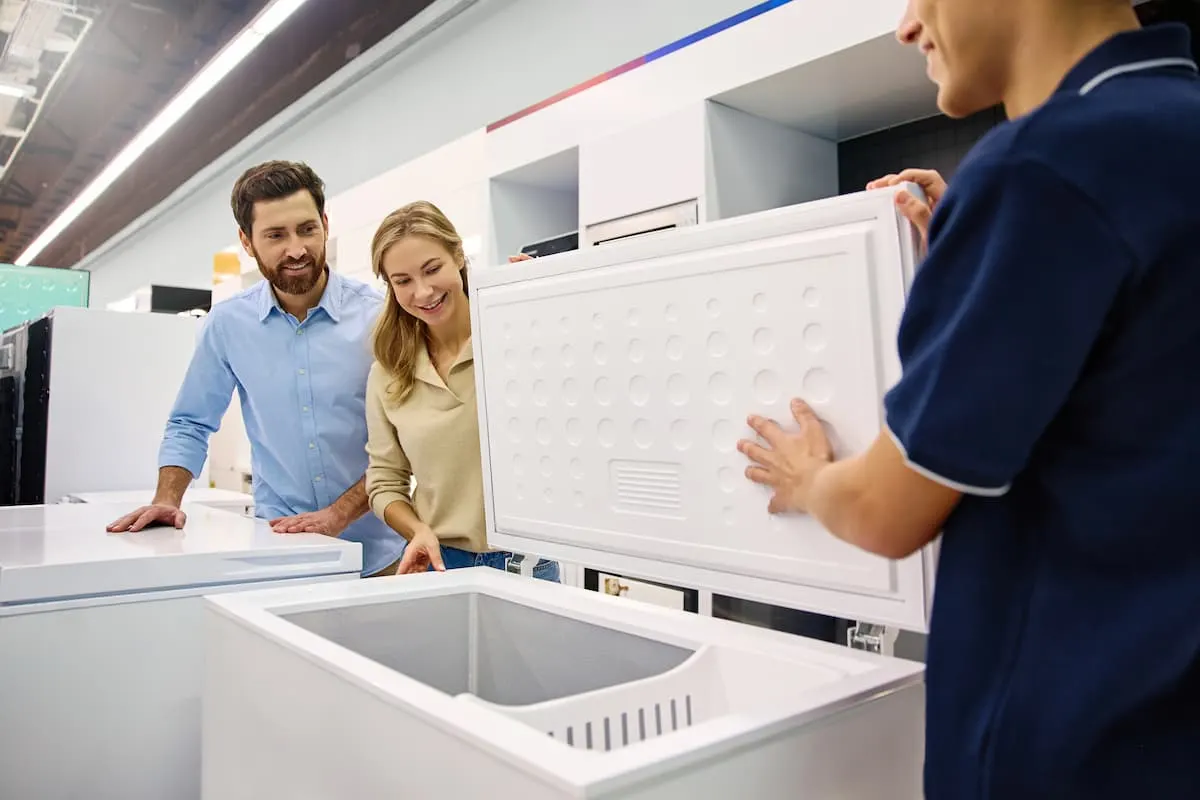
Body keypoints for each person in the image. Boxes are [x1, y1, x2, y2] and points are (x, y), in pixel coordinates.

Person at [738, 1, 1200, 798]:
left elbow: (888, 510)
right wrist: (987, 249)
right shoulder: (1168, 130)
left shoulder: (1039, 169)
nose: (907, 27)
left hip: (1064, 744)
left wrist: (808, 477)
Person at [107, 160, 406, 578]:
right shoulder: (228, 324)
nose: (297, 249)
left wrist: (340, 513)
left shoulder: (380, 318)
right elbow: (191, 422)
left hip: (382, 556)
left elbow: (405, 438)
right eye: (275, 236)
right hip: (278, 549)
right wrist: (168, 499)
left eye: (307, 229)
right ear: (247, 242)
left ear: (324, 222)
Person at [363, 200, 559, 581]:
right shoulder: (389, 372)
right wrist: (416, 530)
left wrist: (544, 306)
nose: (422, 292)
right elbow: (384, 482)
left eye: (432, 269)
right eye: (402, 281)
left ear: (458, 257)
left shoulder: (513, 336)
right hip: (437, 564)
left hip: (526, 564)